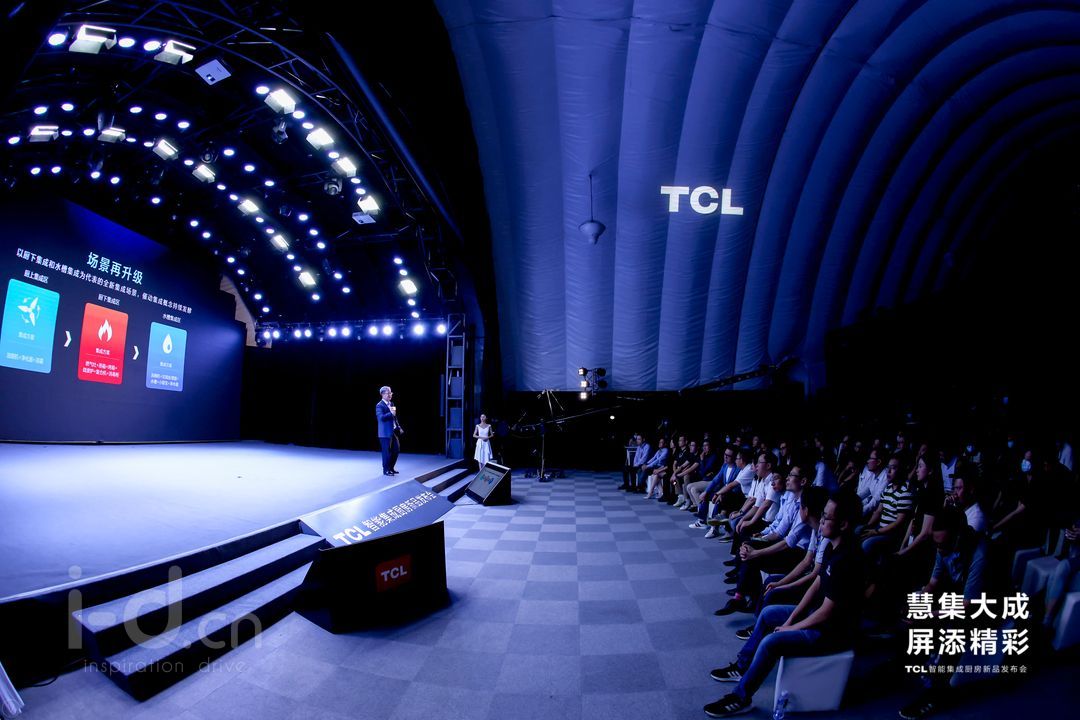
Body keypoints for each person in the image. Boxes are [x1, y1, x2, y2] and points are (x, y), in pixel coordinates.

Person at [704, 492, 864, 717]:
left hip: (832, 634)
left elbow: (827, 612)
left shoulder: (849, 559)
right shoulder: (831, 547)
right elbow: (816, 586)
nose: (821, 520)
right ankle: (741, 667)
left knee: (771, 642)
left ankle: (741, 697)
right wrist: (792, 618)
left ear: (844, 524)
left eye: (827, 517)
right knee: (769, 613)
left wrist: (792, 627)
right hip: (819, 618)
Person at [375, 385, 401, 475]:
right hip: (384, 433)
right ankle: (386, 470)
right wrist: (391, 413)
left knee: (396, 450)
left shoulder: (391, 404)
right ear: (382, 394)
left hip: (392, 431)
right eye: (388, 393)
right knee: (386, 452)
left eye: (391, 393)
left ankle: (391, 468)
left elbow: (394, 417)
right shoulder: (379, 405)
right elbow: (381, 418)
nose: (390, 394)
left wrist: (398, 426)